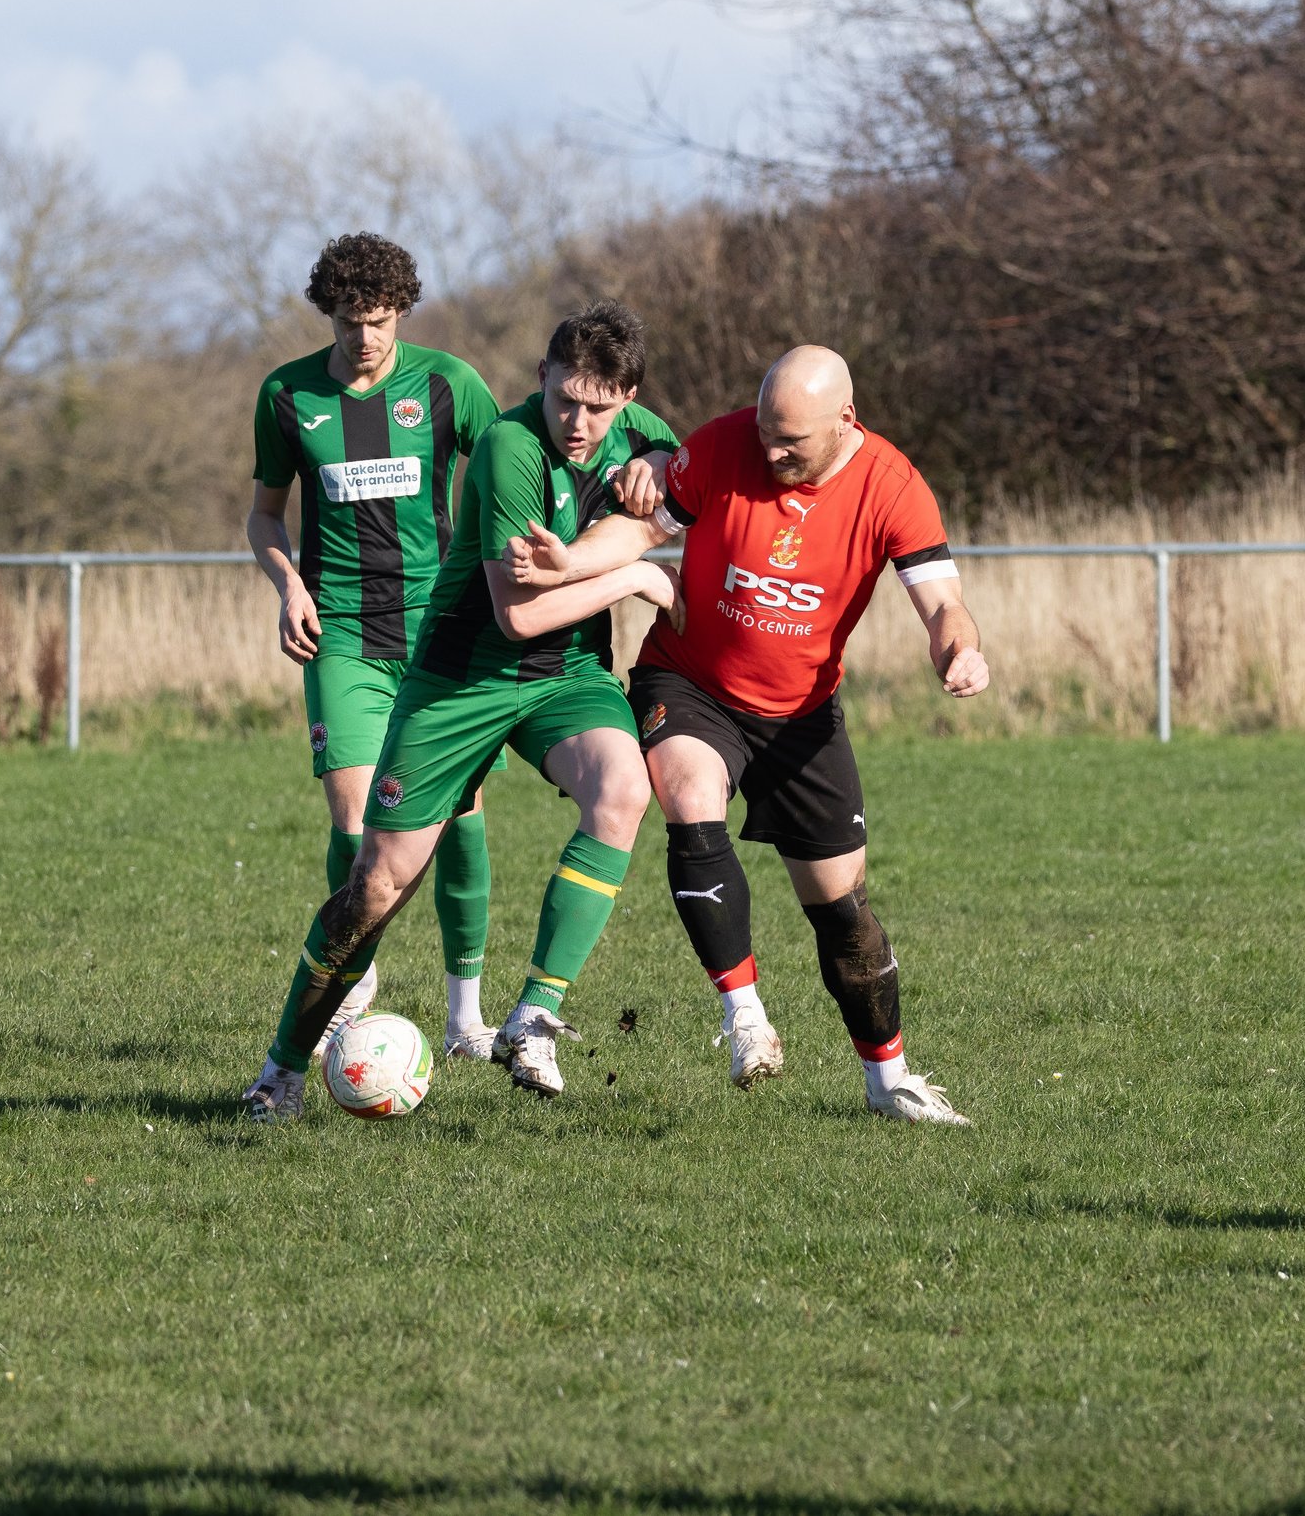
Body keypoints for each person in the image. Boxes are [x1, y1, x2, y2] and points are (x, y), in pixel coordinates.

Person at [505, 345, 989, 1124]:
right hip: (689, 682)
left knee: (839, 907)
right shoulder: (724, 444)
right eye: (765, 428)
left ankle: (889, 1081)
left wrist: (960, 651)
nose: (769, 450)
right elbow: (639, 532)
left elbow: (941, 604)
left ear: (844, 422)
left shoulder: (893, 486)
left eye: (789, 441)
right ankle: (745, 1017)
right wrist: (568, 564)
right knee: (689, 796)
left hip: (801, 713)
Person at [241, 301, 681, 1118]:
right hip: (461, 680)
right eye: (564, 400)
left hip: (565, 678)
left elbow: (677, 449)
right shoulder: (512, 448)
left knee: (624, 790)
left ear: (626, 396)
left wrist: (656, 453)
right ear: (541, 379)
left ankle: (532, 1017)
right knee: (376, 886)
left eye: (600, 406)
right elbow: (517, 616)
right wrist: (632, 576)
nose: (579, 423)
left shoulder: (633, 425)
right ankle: (282, 1071)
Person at [246, 233, 505, 1060]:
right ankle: (352, 991)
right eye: (353, 321)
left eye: (383, 321)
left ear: (403, 313)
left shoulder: (448, 385)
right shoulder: (287, 396)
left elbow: (512, 469)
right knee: (358, 823)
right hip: (344, 637)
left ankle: (467, 1016)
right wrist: (288, 583)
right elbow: (263, 515)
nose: (367, 338)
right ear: (329, 314)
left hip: (441, 636)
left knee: (459, 817)